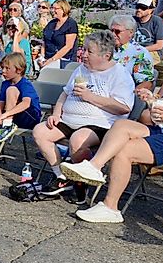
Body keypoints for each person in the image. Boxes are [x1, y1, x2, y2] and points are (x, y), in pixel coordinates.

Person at [62, 36, 163, 223]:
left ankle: (110, 206)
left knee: (125, 150)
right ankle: (94, 167)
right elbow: (161, 108)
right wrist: (152, 101)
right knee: (122, 125)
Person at [32, 31, 134, 200]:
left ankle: (81, 182)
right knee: (40, 132)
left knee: (77, 140)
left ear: (106, 55)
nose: (83, 55)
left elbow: (123, 108)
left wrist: (90, 97)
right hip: (69, 119)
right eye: (83, 49)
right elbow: (65, 93)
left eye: (89, 51)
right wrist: (56, 113)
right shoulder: (82, 69)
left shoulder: (119, 75)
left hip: (100, 123)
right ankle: (62, 175)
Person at [110, 14, 155, 90]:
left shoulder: (139, 53)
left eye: (117, 31)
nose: (113, 34)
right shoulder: (105, 47)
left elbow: (145, 82)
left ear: (130, 33)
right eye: (111, 31)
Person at [39, 0, 78, 69]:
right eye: (52, 8)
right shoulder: (51, 23)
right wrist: (42, 58)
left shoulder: (71, 24)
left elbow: (68, 46)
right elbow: (44, 41)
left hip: (64, 60)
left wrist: (52, 60)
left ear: (63, 9)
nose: (52, 11)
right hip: (48, 58)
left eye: (55, 9)